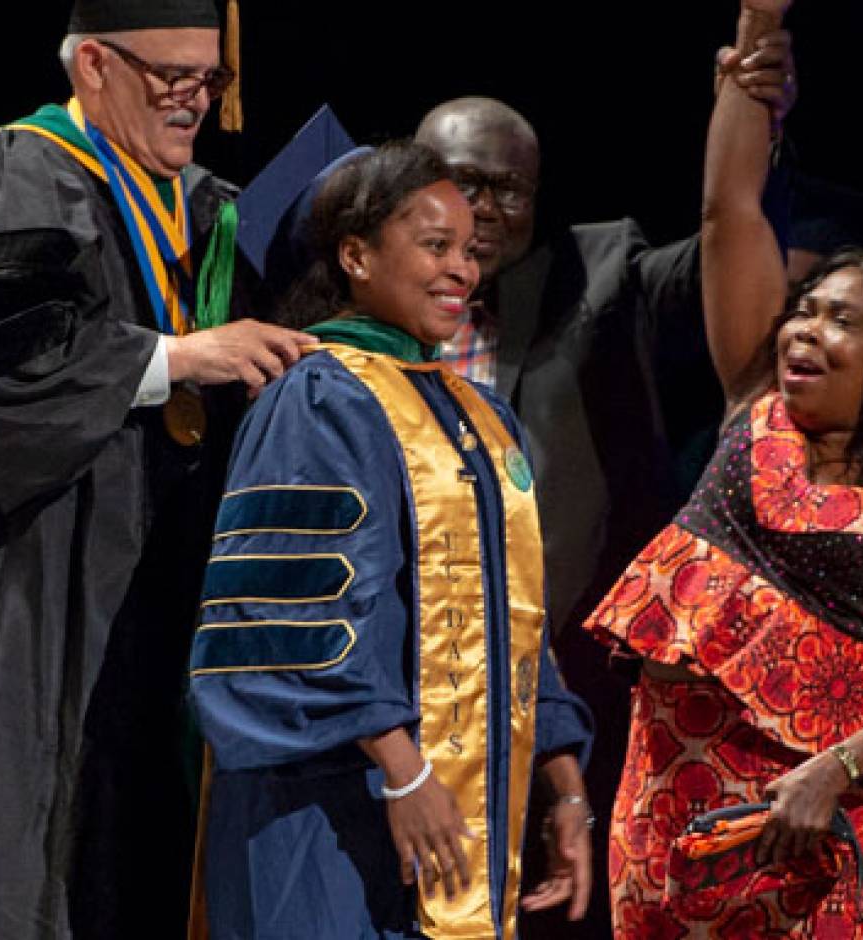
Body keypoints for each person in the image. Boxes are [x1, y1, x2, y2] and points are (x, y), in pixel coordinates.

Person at [0, 1, 314, 937]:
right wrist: (182, 359)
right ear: (96, 65)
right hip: (30, 590)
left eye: (212, 79)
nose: (196, 100)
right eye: (174, 78)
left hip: (161, 599)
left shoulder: (210, 208)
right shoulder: (18, 171)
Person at [580, 1, 863, 935]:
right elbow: (729, 208)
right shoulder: (752, 402)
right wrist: (756, 34)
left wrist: (833, 773)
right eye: (804, 308)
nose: (805, 328)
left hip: (808, 815)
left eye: (842, 319)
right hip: (666, 806)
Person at [412, 46, 794, 940]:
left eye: (509, 189)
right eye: (461, 183)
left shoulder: (601, 276)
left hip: (567, 678)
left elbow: (730, 235)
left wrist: (749, 116)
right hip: (419, 676)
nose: (485, 209)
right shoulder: (368, 299)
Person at [189, 141, 594, 939]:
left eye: (471, 251)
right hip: (326, 803)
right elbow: (298, 617)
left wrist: (564, 785)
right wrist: (406, 778)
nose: (463, 270)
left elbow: (514, 622)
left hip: (454, 807)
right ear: (356, 255)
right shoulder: (317, 393)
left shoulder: (479, 414)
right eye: (434, 245)